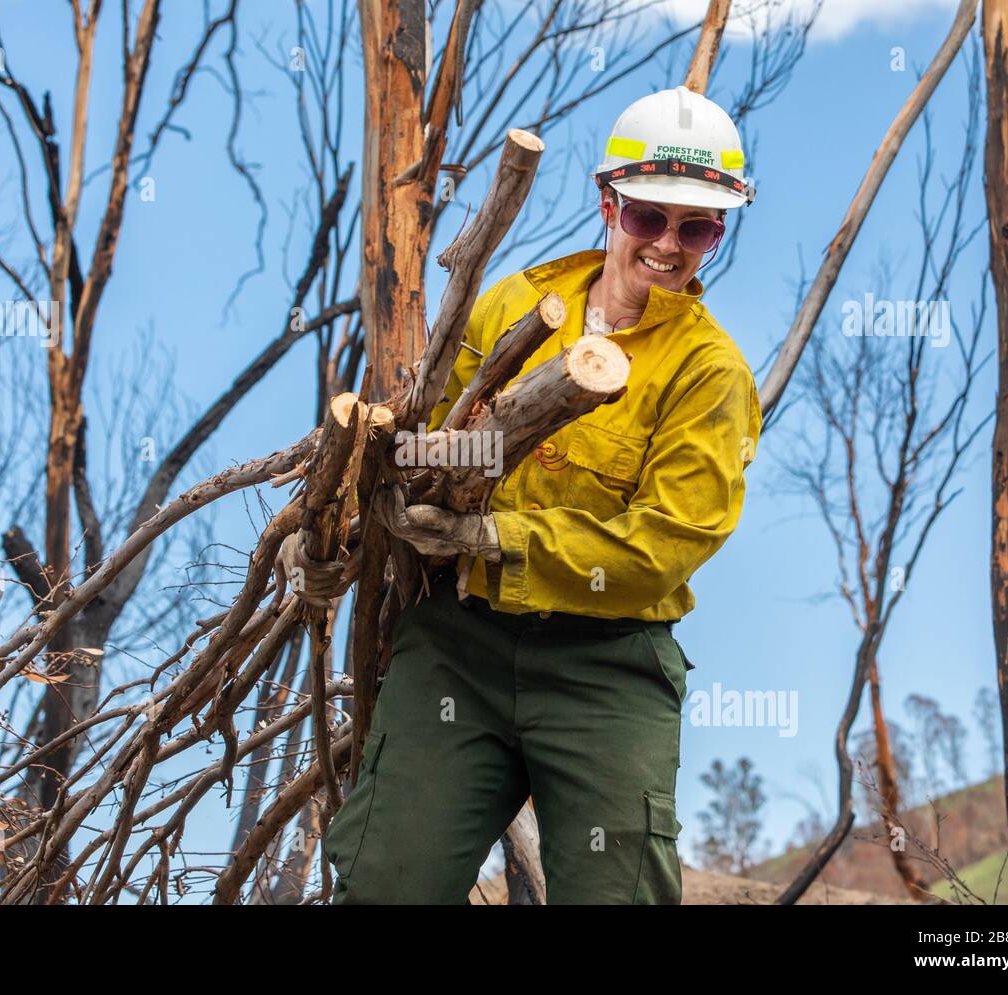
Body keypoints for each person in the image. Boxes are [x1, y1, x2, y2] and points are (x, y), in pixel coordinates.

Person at [282, 86, 762, 904]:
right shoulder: (514, 305)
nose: (669, 245)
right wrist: (332, 533)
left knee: (618, 892)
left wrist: (497, 539)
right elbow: (418, 452)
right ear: (609, 204)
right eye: (649, 218)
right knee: (386, 879)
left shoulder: (711, 374)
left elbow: (662, 547)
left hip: (607, 663)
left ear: (718, 231)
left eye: (698, 227)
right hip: (459, 644)